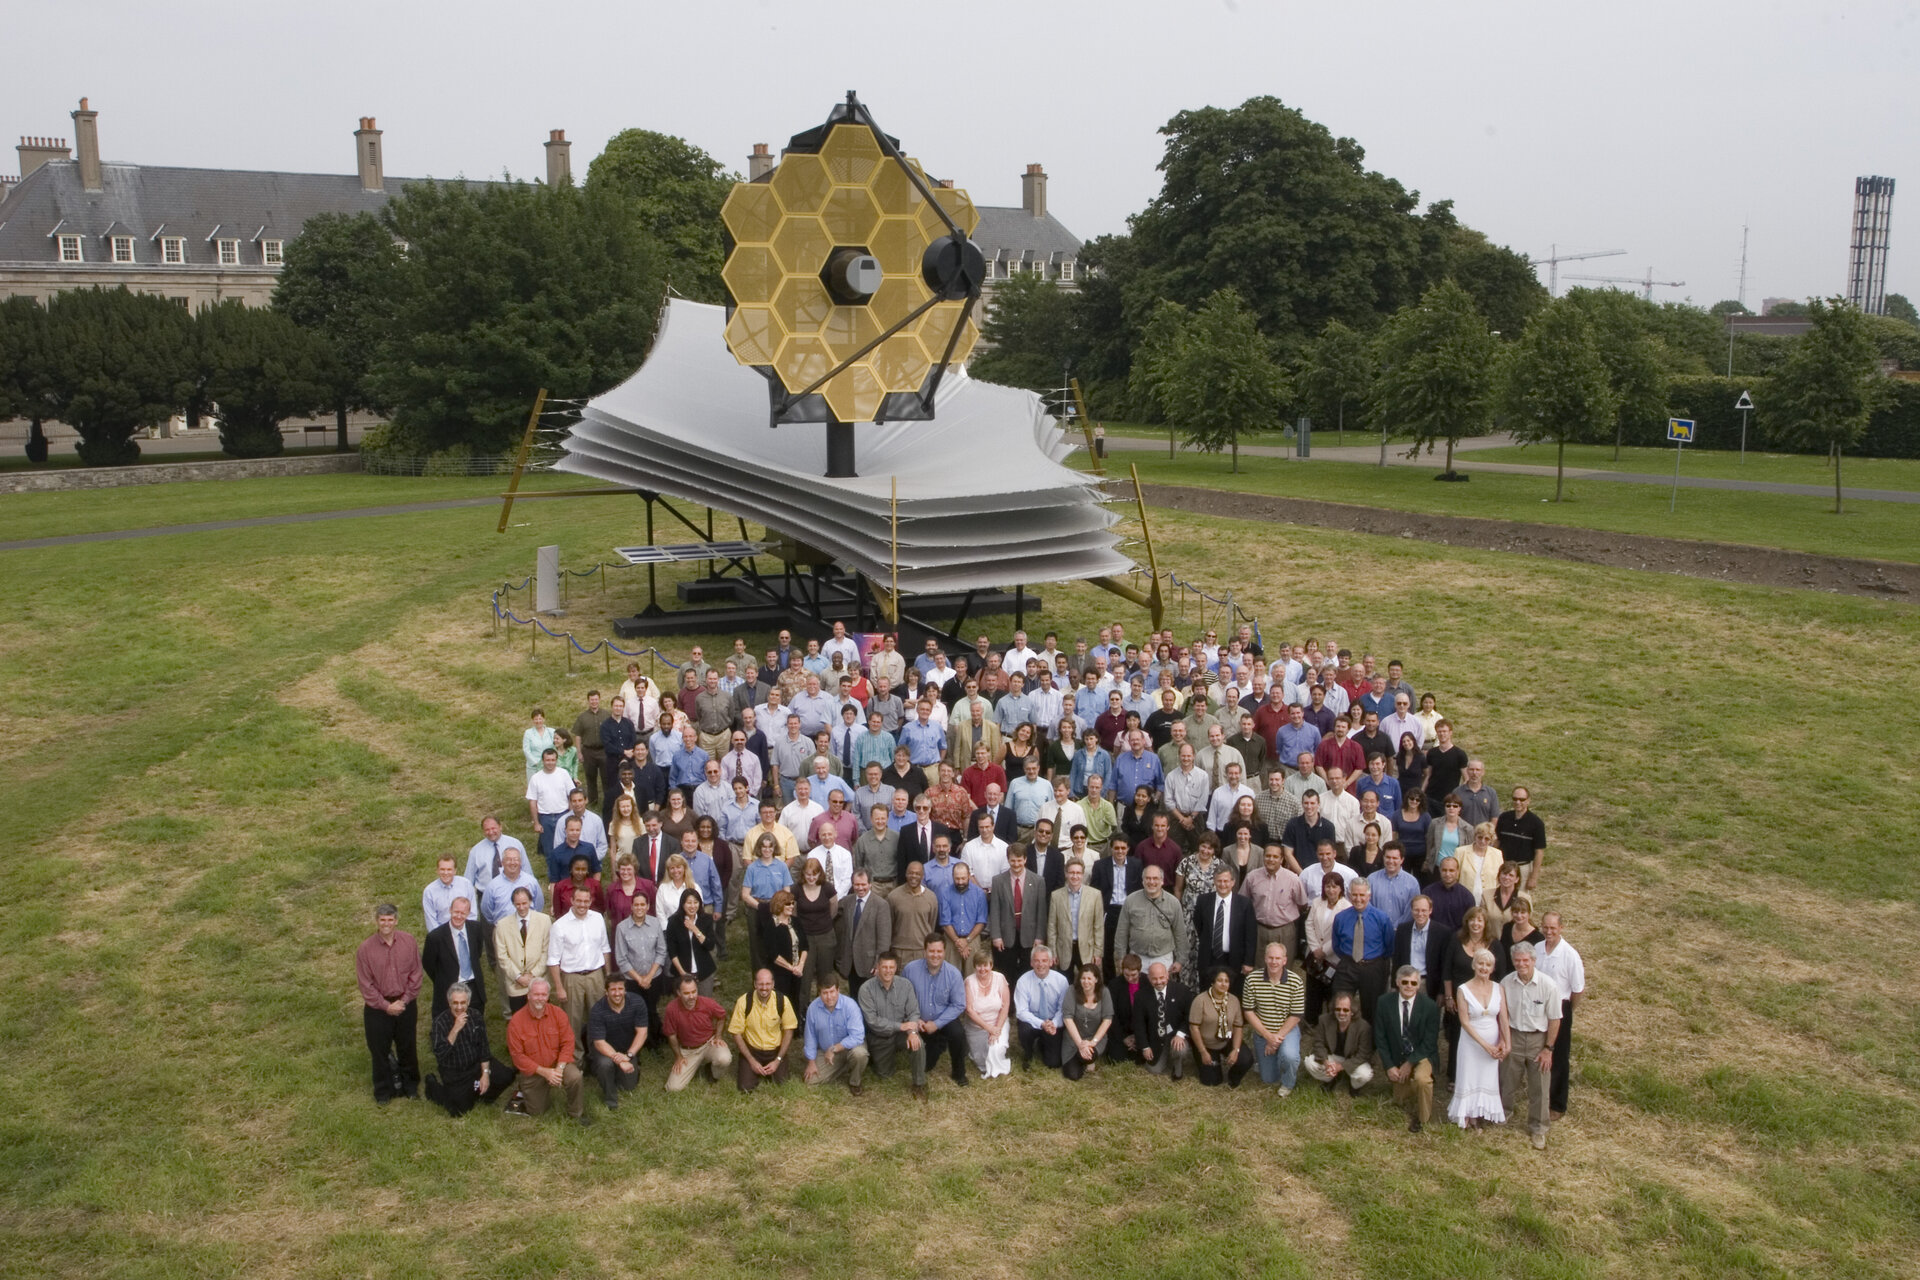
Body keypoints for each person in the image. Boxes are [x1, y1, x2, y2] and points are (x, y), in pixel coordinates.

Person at [356, 904, 422, 1104]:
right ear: (377, 922)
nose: (386, 924)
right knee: (379, 1050)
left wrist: (404, 1000)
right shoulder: (365, 949)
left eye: (390, 920)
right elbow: (366, 985)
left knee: (407, 1047)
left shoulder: (409, 942)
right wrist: (386, 1006)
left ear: (396, 921)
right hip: (378, 1008)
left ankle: (410, 1086)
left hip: (405, 1003)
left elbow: (416, 974)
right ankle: (383, 1091)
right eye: (382, 920)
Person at [1499, 941, 1562, 1149]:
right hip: (1514, 1036)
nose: (1521, 964)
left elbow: (1555, 1019)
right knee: (1507, 1081)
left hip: (1538, 1040)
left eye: (1525, 960)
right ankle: (1503, 1114)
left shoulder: (1548, 985)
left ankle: (1538, 1128)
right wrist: (1505, 1039)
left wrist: (1548, 1049)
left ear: (1534, 961)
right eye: (1517, 960)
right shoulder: (1506, 983)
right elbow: (1502, 1014)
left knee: (1540, 1088)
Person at [505, 978, 589, 1125]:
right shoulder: (516, 1022)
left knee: (575, 1077)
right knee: (537, 1111)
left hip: (558, 1064)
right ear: (528, 995)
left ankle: (576, 1113)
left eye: (543, 995)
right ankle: (525, 1089)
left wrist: (559, 1068)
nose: (540, 998)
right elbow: (517, 1057)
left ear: (548, 996)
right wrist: (545, 1072)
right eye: (536, 994)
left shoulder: (558, 1014)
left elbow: (568, 1042)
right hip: (534, 1070)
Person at [424, 982, 515, 1116]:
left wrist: (485, 1074)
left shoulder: (476, 1016)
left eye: (463, 1003)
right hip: (456, 1073)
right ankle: (433, 1087)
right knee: (459, 1111)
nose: (459, 1007)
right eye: (455, 1003)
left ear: (468, 1002)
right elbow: (440, 1054)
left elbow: (484, 1048)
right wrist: (455, 1029)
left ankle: (483, 1095)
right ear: (449, 1003)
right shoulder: (439, 1023)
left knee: (506, 1076)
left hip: (476, 1066)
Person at [546, 889, 611, 1066]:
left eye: (586, 901)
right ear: (571, 900)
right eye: (579, 901)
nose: (582, 905)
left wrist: (608, 977)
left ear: (591, 901)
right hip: (572, 978)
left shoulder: (598, 919)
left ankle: (598, 1056)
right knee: (572, 1021)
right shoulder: (560, 925)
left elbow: (605, 948)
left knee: (598, 1017)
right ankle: (576, 1060)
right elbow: (553, 960)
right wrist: (559, 987)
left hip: (596, 975)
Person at [1447, 948, 1509, 1130]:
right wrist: (1485, 1046)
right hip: (1471, 1043)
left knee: (1486, 1078)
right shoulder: (1463, 989)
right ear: (1474, 965)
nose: (1484, 967)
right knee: (1469, 1076)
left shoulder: (1499, 988)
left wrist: (1506, 1043)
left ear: (1492, 968)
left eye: (1488, 964)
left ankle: (1479, 1113)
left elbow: (1504, 1018)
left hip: (1493, 1040)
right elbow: (1464, 1022)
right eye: (1480, 963)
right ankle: (1466, 1114)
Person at [1376, 965, 1441, 1132]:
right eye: (1405, 982)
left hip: (1422, 1055)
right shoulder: (1384, 1003)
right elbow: (1380, 1038)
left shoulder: (1430, 1007)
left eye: (1413, 983)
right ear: (1397, 982)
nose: (1409, 986)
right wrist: (1389, 1066)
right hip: (1398, 1055)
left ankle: (1423, 1119)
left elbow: (1429, 1042)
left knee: (1421, 1080)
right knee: (1399, 1098)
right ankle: (1407, 1091)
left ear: (1419, 985)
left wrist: (1410, 1063)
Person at [903, 938, 971, 1088]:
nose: (935, 955)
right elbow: (903, 998)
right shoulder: (910, 970)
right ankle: (938, 1044)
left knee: (958, 1034)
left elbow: (958, 1004)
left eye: (939, 951)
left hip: (943, 1019)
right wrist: (916, 1019)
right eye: (932, 951)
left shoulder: (953, 974)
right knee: (926, 1066)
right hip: (918, 1020)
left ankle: (959, 1073)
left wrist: (937, 1024)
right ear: (925, 951)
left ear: (944, 952)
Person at [1440, 905, 1496, 1087]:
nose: (1475, 923)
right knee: (1458, 1037)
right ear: (1467, 921)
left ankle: (1480, 1077)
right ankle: (1455, 1077)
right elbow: (1447, 969)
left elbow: (1500, 973)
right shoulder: (1456, 940)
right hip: (1460, 999)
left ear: (1485, 923)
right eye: (1472, 919)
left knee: (1482, 1036)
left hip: (1484, 1000)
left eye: (1479, 920)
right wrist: (1449, 997)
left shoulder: (1494, 943)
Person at [858, 954, 928, 1098]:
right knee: (884, 1074)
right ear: (877, 968)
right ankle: (875, 1058)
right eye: (884, 967)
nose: (888, 971)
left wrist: (912, 1033)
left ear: (896, 968)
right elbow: (872, 1021)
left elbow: (914, 1012)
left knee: (918, 1043)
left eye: (891, 967)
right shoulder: (866, 989)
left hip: (901, 1035)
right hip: (879, 1036)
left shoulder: (906, 985)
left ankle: (919, 1084)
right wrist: (900, 1026)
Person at [1536, 912, 1585, 1117]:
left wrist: (1567, 1011)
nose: (1548, 932)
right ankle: (1539, 1094)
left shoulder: (1570, 955)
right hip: (1538, 1005)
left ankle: (1557, 1104)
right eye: (1545, 928)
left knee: (1559, 1055)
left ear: (1561, 928)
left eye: (1553, 928)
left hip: (1561, 1007)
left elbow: (1577, 989)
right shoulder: (1537, 949)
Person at [1241, 942, 1305, 1096]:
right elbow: (1248, 1012)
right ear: (1265, 958)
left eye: (1278, 958)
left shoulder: (1296, 981)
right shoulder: (1252, 980)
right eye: (1271, 958)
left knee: (1289, 1056)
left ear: (1284, 960)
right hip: (1263, 1032)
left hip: (1287, 1030)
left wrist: (1275, 1039)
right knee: (1268, 1079)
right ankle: (1270, 1060)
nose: (1274, 962)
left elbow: (1296, 1015)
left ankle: (1288, 1083)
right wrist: (1268, 1036)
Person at [728, 968, 798, 1092]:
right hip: (752, 1050)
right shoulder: (744, 1001)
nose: (764, 988)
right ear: (755, 984)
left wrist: (777, 1060)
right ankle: (753, 1069)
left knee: (783, 1084)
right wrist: (751, 1060)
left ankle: (771, 1069)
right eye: (760, 984)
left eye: (767, 984)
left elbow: (789, 1030)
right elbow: (736, 1033)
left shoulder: (782, 1001)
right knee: (745, 1088)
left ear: (773, 984)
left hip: (774, 1051)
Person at [586, 975, 649, 1110]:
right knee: (605, 1064)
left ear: (625, 990)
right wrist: (620, 1061)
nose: (617, 993)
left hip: (627, 1049)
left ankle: (622, 1071)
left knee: (628, 1087)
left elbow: (642, 1033)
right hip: (605, 1051)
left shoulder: (637, 1002)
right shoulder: (597, 1010)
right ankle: (610, 1099)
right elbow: (599, 1043)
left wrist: (629, 1056)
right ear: (606, 992)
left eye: (620, 989)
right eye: (613, 989)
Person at [422, 895, 488, 1019]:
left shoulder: (476, 928)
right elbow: (428, 964)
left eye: (463, 913)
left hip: (473, 987)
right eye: (456, 912)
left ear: (468, 913)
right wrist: (444, 978)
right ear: (450, 910)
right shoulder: (435, 937)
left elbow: (477, 954)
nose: (459, 916)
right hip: (449, 987)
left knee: (474, 1025)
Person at [802, 976, 870, 1094]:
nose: (829, 997)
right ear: (819, 993)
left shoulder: (850, 1005)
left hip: (851, 1048)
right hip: (826, 1052)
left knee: (860, 1054)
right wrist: (811, 1062)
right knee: (810, 1080)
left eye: (832, 992)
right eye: (825, 993)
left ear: (838, 990)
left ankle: (855, 1082)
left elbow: (858, 1036)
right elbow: (810, 1037)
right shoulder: (813, 1008)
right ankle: (844, 1067)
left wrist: (834, 1048)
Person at [1188, 966, 1254, 1088]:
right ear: (1212, 982)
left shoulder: (1234, 1000)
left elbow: (1238, 1027)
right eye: (1220, 980)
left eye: (1226, 981)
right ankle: (1208, 1061)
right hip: (1206, 1044)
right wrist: (1203, 1051)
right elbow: (1194, 1028)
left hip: (1226, 1040)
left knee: (1246, 1059)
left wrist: (1235, 1050)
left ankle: (1232, 1078)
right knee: (1212, 1081)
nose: (1223, 984)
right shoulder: (1200, 1000)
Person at [613, 891, 668, 1036]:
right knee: (635, 1010)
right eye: (636, 904)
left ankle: (654, 1040)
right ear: (631, 906)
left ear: (648, 906)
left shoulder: (655, 923)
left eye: (642, 904)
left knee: (652, 1009)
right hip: (632, 980)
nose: (639, 908)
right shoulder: (622, 928)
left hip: (654, 977)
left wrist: (649, 977)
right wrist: (639, 979)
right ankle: (638, 1040)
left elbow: (661, 951)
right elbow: (621, 958)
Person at [1194, 866, 1257, 991]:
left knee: (1234, 995)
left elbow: (1251, 935)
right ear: (1214, 881)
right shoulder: (1203, 901)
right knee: (1208, 992)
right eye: (1219, 881)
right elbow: (1199, 926)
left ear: (1233, 882)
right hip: (1209, 958)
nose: (1223, 884)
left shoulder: (1244, 904)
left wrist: (1248, 961)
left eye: (1226, 881)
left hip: (1234, 959)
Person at [1011, 943, 1070, 1069]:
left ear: (1050, 962)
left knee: (1053, 1063)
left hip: (1053, 1022)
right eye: (1036, 961)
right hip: (1032, 1021)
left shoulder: (1061, 981)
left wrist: (1053, 1023)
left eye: (1044, 961)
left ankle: (1043, 1043)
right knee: (1025, 1030)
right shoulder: (1023, 981)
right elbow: (1021, 1011)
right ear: (1031, 963)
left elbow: (1063, 1009)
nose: (1040, 964)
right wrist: (1041, 1024)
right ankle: (1028, 1052)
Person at [1303, 990, 1374, 1094]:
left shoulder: (1363, 1027)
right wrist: (1326, 1063)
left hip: (1352, 1059)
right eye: (1338, 1009)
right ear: (1333, 1009)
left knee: (1365, 1074)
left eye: (1345, 1010)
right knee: (1309, 1062)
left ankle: (1354, 1086)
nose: (1341, 1013)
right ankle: (1329, 1079)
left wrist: (1341, 1067)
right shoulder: (1324, 1020)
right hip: (1332, 1057)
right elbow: (1318, 1044)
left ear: (1352, 1011)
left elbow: (1363, 1055)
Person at [1131, 961, 1193, 1079]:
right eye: (1154, 979)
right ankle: (1163, 1054)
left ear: (1167, 975)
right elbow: (1139, 1025)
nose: (1159, 982)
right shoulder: (1141, 996)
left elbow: (1189, 1016)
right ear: (1148, 978)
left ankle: (1177, 1064)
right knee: (1154, 1070)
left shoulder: (1182, 991)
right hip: (1156, 1037)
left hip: (1175, 1035)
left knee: (1179, 1049)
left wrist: (1180, 1034)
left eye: (1161, 978)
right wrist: (1145, 1047)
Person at [1047, 856, 1104, 979]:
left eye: (1078, 873)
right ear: (1066, 874)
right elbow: (1052, 927)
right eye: (1071, 872)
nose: (1075, 876)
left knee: (1087, 984)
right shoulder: (1056, 896)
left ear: (1083, 875)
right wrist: (1053, 952)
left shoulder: (1095, 895)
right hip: (1064, 949)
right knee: (1064, 984)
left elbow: (1098, 927)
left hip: (1086, 949)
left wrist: (1098, 952)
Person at [836, 870, 891, 996]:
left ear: (870, 884)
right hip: (850, 963)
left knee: (870, 999)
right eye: (857, 885)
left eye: (863, 884)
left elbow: (884, 939)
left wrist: (879, 963)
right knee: (854, 997)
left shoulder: (881, 905)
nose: (860, 888)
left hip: (869, 964)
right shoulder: (846, 902)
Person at [525, 748, 575, 872]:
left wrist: (571, 813)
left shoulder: (563, 774)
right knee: (549, 851)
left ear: (556, 760)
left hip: (563, 815)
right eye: (547, 760)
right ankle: (553, 877)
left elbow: (572, 794)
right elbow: (532, 802)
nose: (550, 762)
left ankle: (567, 874)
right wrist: (536, 823)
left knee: (567, 847)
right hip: (545, 818)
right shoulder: (536, 778)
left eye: (553, 760)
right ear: (543, 761)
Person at [1061, 963, 1113, 1080]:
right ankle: (1079, 1059)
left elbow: (1107, 1020)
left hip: (1094, 1038)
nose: (1086, 981)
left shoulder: (1104, 992)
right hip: (1074, 1039)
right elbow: (1067, 1018)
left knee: (1088, 1056)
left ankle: (1087, 1059)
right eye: (1083, 978)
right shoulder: (1072, 990)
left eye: (1089, 978)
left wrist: (1092, 1043)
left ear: (1096, 979)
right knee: (1072, 1075)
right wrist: (1080, 1044)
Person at [757, 888, 808, 1006]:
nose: (792, 906)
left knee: (795, 1003)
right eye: (788, 904)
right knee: (782, 1003)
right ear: (779, 905)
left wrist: (800, 965)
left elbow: (805, 946)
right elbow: (773, 955)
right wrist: (791, 968)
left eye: (792, 903)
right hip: (780, 974)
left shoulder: (796, 922)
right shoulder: (771, 926)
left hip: (797, 973)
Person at [886, 861, 940, 969]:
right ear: (906, 874)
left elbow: (932, 923)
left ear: (923, 876)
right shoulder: (893, 896)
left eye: (917, 874)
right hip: (900, 951)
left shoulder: (931, 897)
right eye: (910, 873)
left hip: (922, 951)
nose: (913, 876)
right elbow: (889, 925)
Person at [667, 887, 719, 998]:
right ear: (682, 904)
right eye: (689, 903)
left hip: (704, 971)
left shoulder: (706, 919)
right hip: (681, 972)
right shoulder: (673, 921)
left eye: (696, 902)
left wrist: (695, 929)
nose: (692, 906)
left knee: (704, 1005)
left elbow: (710, 945)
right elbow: (672, 951)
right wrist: (682, 973)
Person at [1494, 786, 1548, 893]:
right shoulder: (1504, 818)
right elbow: (1497, 841)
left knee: (1519, 901)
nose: (1518, 802)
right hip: (1503, 866)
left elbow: (1539, 852)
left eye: (1522, 799)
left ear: (1528, 801)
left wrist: (1533, 877)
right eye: (1515, 799)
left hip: (1522, 869)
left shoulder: (1536, 823)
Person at [422, 856, 477, 937]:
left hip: (464, 933)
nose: (445, 873)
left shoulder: (466, 885)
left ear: (455, 871)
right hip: (442, 936)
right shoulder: (429, 892)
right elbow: (431, 921)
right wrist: (442, 938)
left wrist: (465, 932)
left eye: (449, 869)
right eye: (442, 869)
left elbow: (472, 913)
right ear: (437, 870)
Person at [1450, 759, 1499, 828]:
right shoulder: (1457, 792)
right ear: (1467, 771)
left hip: (1482, 836)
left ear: (1483, 772)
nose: (1474, 773)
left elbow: (1494, 817)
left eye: (1478, 770)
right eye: (1471, 770)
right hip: (1463, 834)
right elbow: (1452, 815)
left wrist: (1487, 833)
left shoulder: (1491, 793)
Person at [522, 708, 556, 780]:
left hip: (549, 766)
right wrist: (536, 763)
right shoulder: (528, 733)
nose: (538, 721)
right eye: (536, 719)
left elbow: (555, 747)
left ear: (544, 719)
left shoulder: (552, 731)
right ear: (532, 720)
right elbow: (526, 750)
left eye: (540, 719)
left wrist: (549, 761)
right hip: (534, 767)